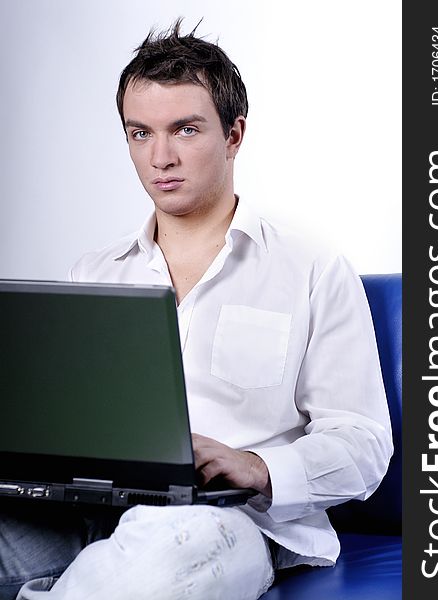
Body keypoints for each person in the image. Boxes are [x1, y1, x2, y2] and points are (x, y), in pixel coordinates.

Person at [0, 19, 393, 600]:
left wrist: (255, 466)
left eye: (184, 129)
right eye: (140, 133)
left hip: (230, 524)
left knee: (166, 555)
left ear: (234, 135)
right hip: (86, 511)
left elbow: (363, 443)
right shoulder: (96, 272)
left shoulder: (310, 268)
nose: (160, 157)